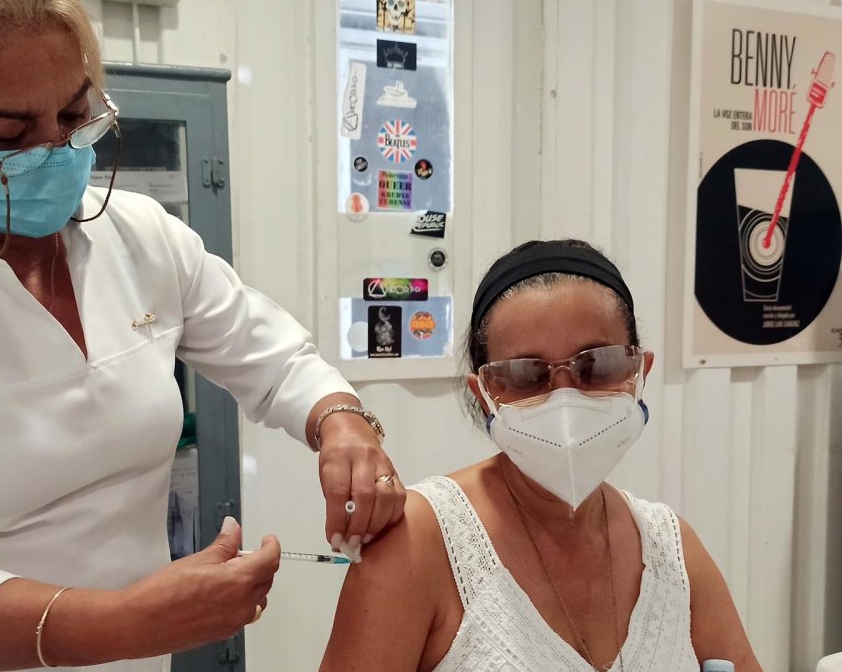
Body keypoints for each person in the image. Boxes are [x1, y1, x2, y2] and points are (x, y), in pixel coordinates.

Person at [0, 0, 405, 670]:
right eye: (7, 134)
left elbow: (276, 361)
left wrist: (341, 422)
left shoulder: (141, 236)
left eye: (74, 116)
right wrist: (125, 622)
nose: (54, 152)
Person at [321, 240, 762, 672]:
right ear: (484, 395)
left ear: (639, 372)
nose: (565, 399)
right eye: (524, 375)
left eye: (597, 365)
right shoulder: (419, 543)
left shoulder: (671, 549)